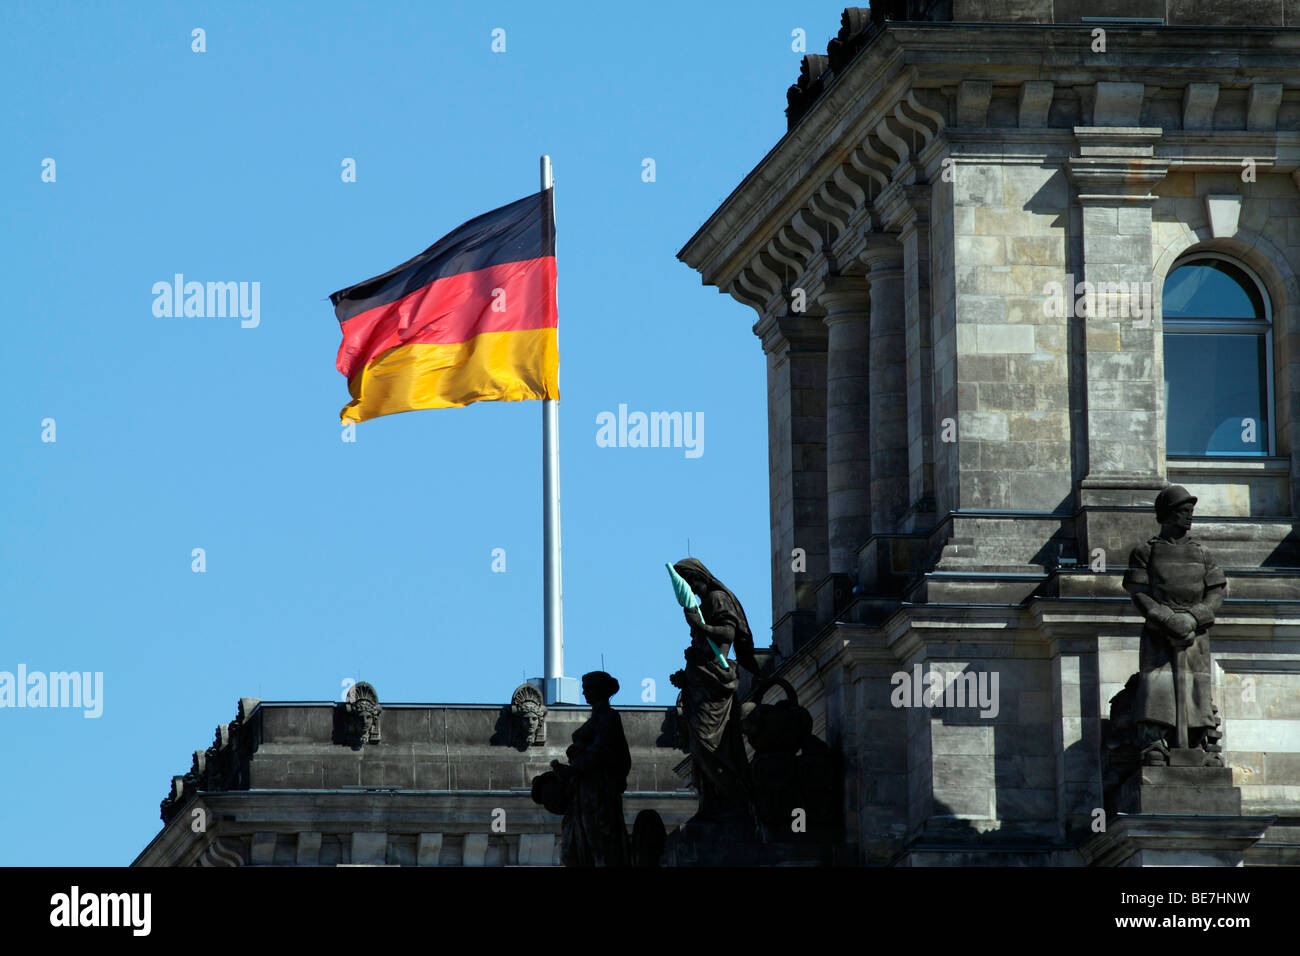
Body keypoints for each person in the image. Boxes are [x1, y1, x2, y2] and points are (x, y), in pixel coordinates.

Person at [1122, 485, 1226, 765]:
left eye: (1191, 511)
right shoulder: (1145, 552)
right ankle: (1154, 741)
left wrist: (1194, 618)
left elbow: (1216, 591)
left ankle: (1202, 741)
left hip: (1195, 631)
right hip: (1159, 631)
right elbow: (1138, 591)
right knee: (1157, 686)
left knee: (1197, 688)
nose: (1189, 517)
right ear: (1167, 514)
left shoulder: (1203, 553)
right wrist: (1166, 618)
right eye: (1183, 511)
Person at [668, 558, 756, 827]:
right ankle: (714, 804)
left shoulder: (717, 597)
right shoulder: (703, 601)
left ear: (699, 576)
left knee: (711, 745)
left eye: (690, 582)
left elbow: (727, 634)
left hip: (716, 680)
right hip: (701, 680)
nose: (691, 589)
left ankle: (733, 803)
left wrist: (700, 626)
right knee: (699, 748)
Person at [550, 671, 631, 866]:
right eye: (584, 688)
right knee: (582, 844)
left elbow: (600, 752)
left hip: (598, 792)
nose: (584, 692)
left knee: (598, 842)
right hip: (586, 792)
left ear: (601, 691)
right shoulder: (598, 718)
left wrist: (572, 769)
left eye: (589, 688)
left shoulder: (609, 717)